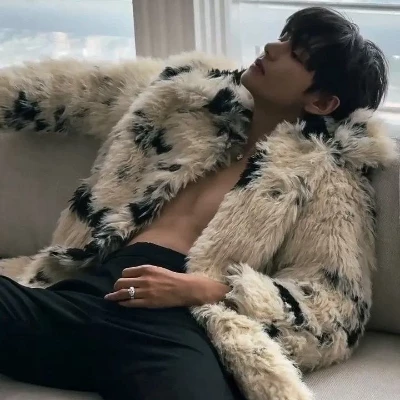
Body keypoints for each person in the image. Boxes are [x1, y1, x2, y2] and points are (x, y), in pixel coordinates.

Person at [0, 6, 395, 400]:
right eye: (284, 37)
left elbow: (334, 312)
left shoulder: (328, 181)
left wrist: (204, 290)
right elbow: (73, 92)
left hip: (175, 325)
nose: (272, 48)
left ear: (322, 103)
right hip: (83, 295)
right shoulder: (185, 101)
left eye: (297, 54)